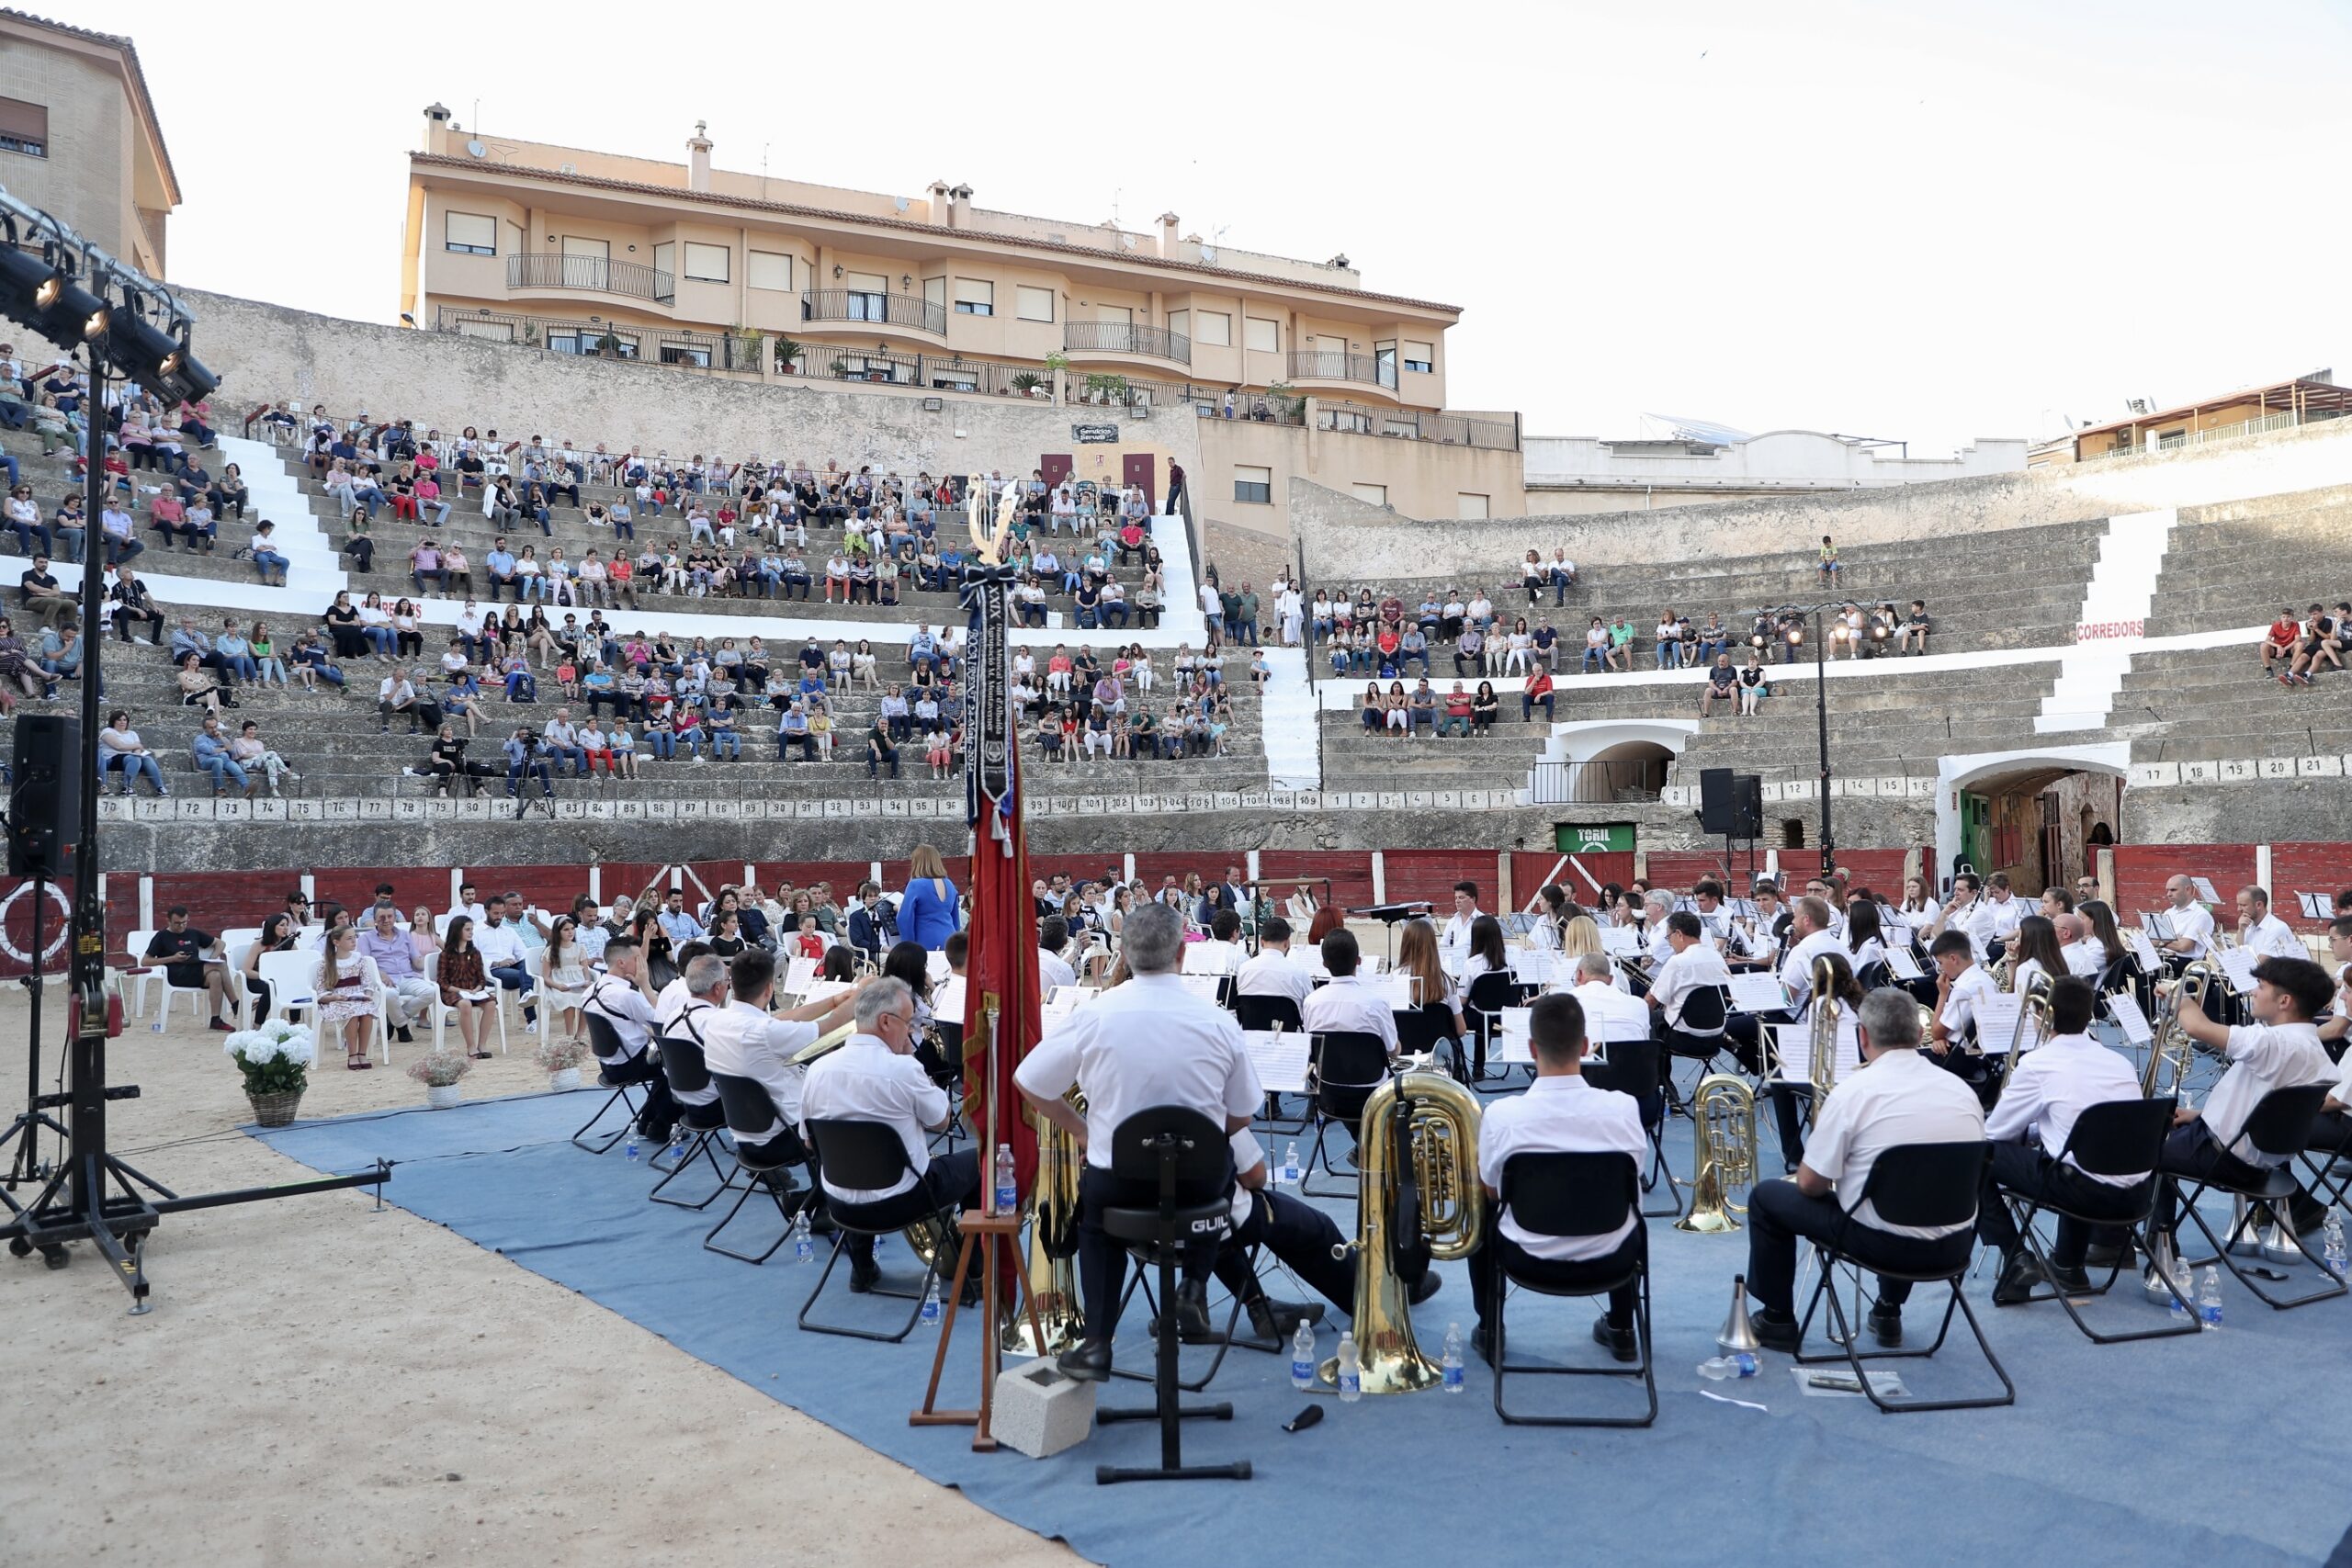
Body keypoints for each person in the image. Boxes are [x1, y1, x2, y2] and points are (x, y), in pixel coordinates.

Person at [1014, 903, 1264, 1382]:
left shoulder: (1095, 1015)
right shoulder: (1216, 1020)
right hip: (1201, 1192)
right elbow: (1243, 1114)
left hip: (1119, 1185)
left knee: (1095, 1223)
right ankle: (1192, 1288)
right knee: (1216, 1169)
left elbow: (1029, 1082)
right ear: (1181, 956)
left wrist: (1083, 1130)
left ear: (1124, 955)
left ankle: (1097, 1344)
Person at [1745, 989, 1986, 1353]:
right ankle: (1889, 1310)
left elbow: (1810, 1184)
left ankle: (1778, 1318)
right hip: (1955, 1245)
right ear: (1917, 1031)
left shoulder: (1855, 1091)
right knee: (1913, 1191)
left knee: (1766, 1197)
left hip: (1883, 1245)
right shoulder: (1962, 1091)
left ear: (1862, 1036)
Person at [1464, 992, 1649, 1364]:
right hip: (1613, 1257)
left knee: (1480, 1207)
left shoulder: (1501, 1114)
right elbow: (1634, 1179)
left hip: (1526, 1256)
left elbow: (1490, 1190)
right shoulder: (1624, 1107)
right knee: (1627, 1207)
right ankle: (1622, 1326)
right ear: (1585, 1046)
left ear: (1531, 1048)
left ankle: (1490, 1327)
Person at [795, 970, 976, 1292]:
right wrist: (913, 1062)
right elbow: (943, 1120)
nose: (911, 1032)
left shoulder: (818, 1069)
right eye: (908, 1023)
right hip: (901, 1201)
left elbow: (809, 1142)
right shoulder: (903, 1067)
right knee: (983, 1162)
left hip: (839, 1203)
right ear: (886, 1022)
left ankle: (862, 1269)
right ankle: (973, 1267)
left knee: (853, 1161)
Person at [1972, 976, 2151, 1302]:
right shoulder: (2119, 1062)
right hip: (2137, 1197)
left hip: (2085, 1191)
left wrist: (2027, 1131)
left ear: (2046, 1015)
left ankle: (2016, 1257)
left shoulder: (2038, 1063)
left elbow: (1996, 1133)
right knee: (2071, 1154)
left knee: (1976, 1154)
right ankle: (2067, 1264)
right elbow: (2083, 1125)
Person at [2148, 956, 2338, 1260]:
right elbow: (2266, 1108)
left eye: (2261, 987)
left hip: (2222, 1157)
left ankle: (2155, 1243)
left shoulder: (2270, 1043)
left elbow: (2197, 1027)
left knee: (2139, 1150)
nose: (2252, 992)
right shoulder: (2315, 1050)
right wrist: (2200, 1115)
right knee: (2163, 1129)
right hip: (2262, 1159)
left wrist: (2178, 996)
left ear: (2285, 1001)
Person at [583, 937, 678, 1143]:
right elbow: (664, 1021)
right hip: (629, 1064)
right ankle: (661, 1125)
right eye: (638, 958)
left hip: (608, 1063)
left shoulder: (590, 991)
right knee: (681, 1065)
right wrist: (644, 984)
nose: (643, 963)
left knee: (664, 1062)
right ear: (621, 963)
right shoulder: (625, 995)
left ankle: (647, 1122)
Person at [1299, 927, 1398, 1055]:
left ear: (1324, 964)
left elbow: (1311, 1043)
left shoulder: (1311, 1002)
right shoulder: (1378, 1003)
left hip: (1326, 1074)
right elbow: (1392, 1049)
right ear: (1358, 961)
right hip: (1369, 1074)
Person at [143, 906, 233, 1030]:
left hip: (196, 971)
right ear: (169, 921)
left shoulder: (193, 933)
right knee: (221, 965)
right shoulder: (162, 936)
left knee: (216, 976)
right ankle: (236, 1004)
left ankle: (215, 1020)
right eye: (177, 923)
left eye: (184, 922)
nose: (181, 926)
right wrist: (172, 958)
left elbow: (220, 943)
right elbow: (145, 961)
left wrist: (212, 957)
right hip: (176, 974)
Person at [357, 905, 435, 1043]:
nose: (386, 920)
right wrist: (380, 974)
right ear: (375, 919)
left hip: (407, 976)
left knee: (431, 992)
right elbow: (364, 963)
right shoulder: (366, 938)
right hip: (384, 979)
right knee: (389, 994)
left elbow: (417, 961)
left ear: (395, 918)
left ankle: (395, 1020)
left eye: (390, 916)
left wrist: (432, 960)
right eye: (382, 917)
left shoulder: (405, 935)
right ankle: (401, 1026)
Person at [316, 925, 384, 1070]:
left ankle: (362, 1053)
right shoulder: (326, 963)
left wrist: (367, 995)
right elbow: (321, 992)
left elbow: (367, 983)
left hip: (358, 996)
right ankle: (352, 1054)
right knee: (352, 1013)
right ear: (336, 942)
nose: (354, 941)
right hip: (338, 1000)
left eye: (355, 937)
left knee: (366, 1012)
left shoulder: (360, 959)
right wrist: (334, 997)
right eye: (349, 938)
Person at [434, 915, 497, 1058]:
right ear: (458, 931)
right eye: (467, 929)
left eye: (471, 929)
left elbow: (481, 978)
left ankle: (482, 1044)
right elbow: (442, 981)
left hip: (473, 990)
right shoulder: (446, 954)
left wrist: (476, 989)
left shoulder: (475, 953)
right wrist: (461, 991)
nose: (471, 932)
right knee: (465, 1004)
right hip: (453, 991)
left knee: (491, 1003)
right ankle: (471, 1046)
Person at [1234, 916, 1315, 1009]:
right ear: (1287, 943)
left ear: (1262, 942)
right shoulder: (1299, 973)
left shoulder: (1244, 969)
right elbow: (1310, 1007)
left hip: (1250, 1022)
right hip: (1287, 1022)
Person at [899, 843, 960, 951]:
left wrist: (908, 947)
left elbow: (904, 919)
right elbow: (956, 918)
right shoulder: (949, 884)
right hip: (950, 939)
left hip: (925, 940)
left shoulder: (915, 885)